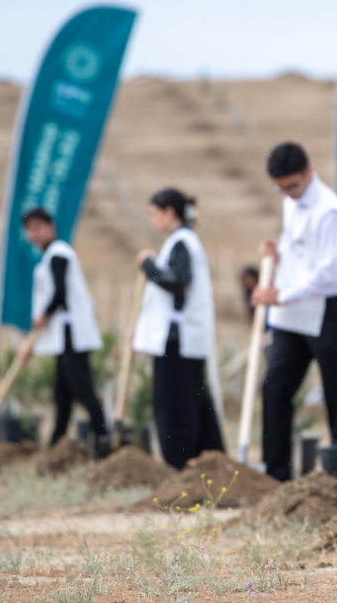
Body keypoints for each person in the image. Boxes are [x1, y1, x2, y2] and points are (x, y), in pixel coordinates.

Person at [251, 142, 337, 482]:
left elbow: (325, 273)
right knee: (274, 388)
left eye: (292, 186)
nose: (287, 193)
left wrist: (280, 295)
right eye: (280, 188)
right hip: (290, 315)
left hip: (325, 310)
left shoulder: (331, 211)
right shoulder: (290, 203)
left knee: (335, 391)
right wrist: (278, 252)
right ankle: (276, 473)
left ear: (309, 172)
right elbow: (300, 250)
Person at [133, 189, 224, 470]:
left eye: (154, 214)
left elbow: (176, 282)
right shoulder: (182, 242)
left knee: (173, 404)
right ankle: (212, 456)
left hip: (178, 338)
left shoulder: (182, 242)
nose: (152, 221)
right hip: (183, 337)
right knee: (194, 397)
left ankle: (181, 462)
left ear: (169, 212)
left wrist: (148, 266)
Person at [20, 208, 109, 452]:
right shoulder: (50, 257)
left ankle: (103, 437)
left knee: (83, 390)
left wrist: (43, 315)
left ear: (51, 227)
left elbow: (60, 293)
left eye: (38, 228)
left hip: (72, 336)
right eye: (30, 229)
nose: (33, 234)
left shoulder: (59, 254)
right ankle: (56, 443)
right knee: (63, 393)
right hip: (62, 338)